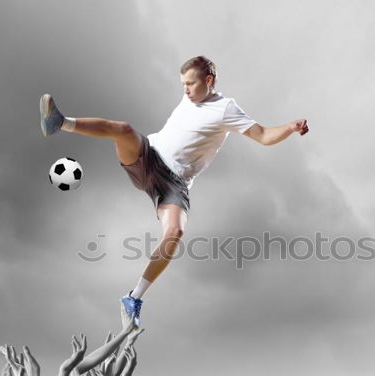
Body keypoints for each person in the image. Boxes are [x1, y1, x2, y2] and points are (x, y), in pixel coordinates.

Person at [40, 56, 309, 328]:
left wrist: (289, 127)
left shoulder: (226, 109)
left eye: (191, 83)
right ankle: (60, 122)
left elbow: (263, 135)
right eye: (182, 84)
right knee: (123, 130)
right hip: (148, 156)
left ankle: (133, 298)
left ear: (209, 81)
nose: (186, 90)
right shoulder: (188, 98)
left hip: (174, 183)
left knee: (175, 233)